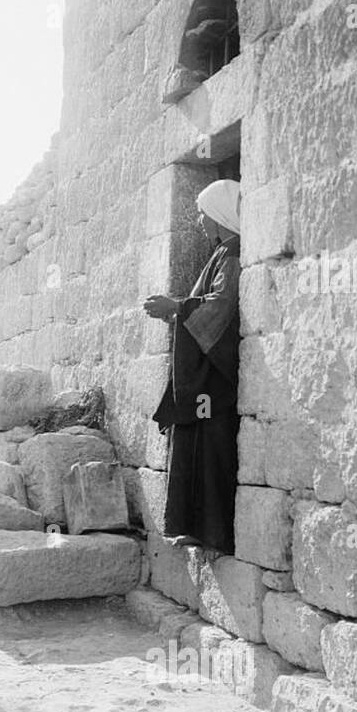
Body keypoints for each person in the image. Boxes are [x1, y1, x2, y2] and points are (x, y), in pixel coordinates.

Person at [146, 178, 242, 554]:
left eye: (204, 214)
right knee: (193, 445)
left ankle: (213, 533)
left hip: (213, 380)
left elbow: (221, 307)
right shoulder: (222, 252)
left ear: (219, 215)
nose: (200, 222)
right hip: (203, 377)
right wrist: (179, 311)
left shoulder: (232, 252)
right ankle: (192, 527)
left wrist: (177, 308)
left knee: (211, 447)